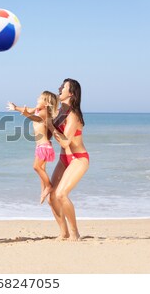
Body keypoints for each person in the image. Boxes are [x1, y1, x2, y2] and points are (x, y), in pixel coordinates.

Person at [49, 78, 89, 241]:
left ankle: (75, 233)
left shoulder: (73, 115)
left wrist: (50, 126)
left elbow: (65, 141)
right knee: (52, 196)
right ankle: (64, 232)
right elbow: (47, 132)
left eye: (63, 87)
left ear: (71, 93)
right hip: (63, 159)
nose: (59, 88)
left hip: (78, 159)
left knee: (61, 194)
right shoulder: (59, 111)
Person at [7, 91, 59, 204]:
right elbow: (29, 110)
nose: (37, 99)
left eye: (40, 99)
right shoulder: (38, 109)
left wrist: (26, 114)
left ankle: (49, 186)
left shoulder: (44, 113)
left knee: (36, 167)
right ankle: (43, 191)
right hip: (41, 146)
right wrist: (16, 108)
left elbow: (35, 118)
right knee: (42, 170)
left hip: (44, 146)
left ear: (46, 103)